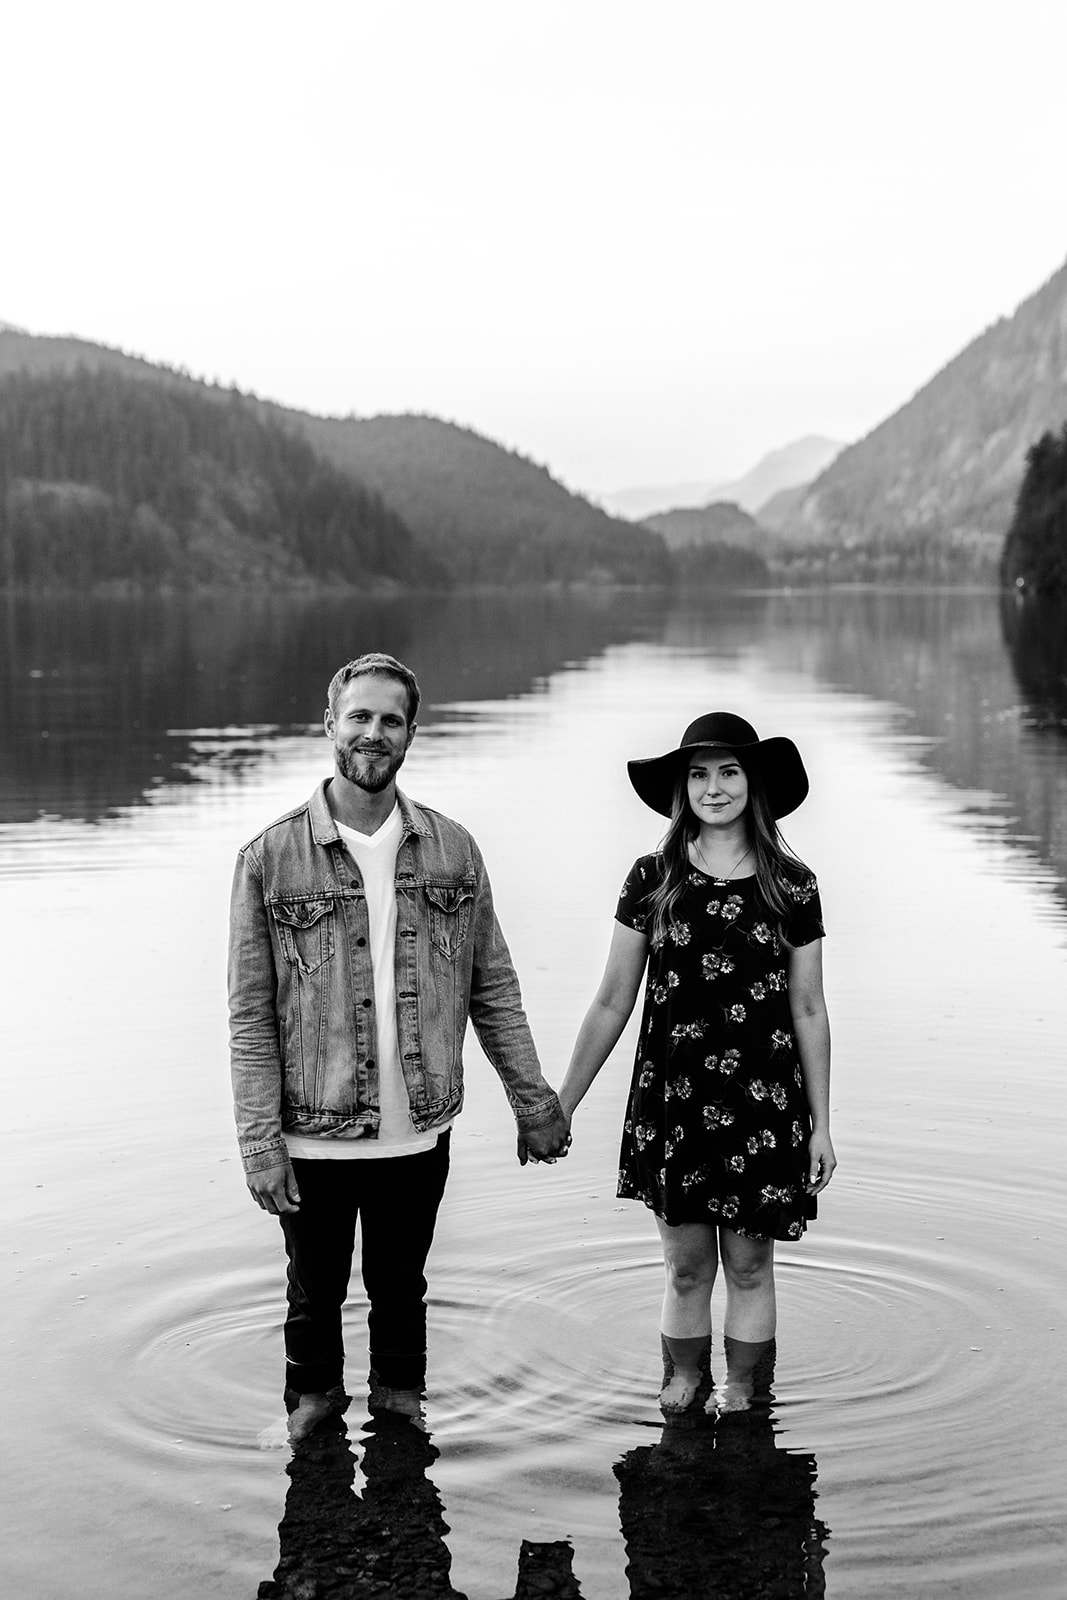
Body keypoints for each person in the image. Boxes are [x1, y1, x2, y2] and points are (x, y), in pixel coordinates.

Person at [228, 652, 569, 1442]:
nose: (372, 734)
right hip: (310, 1133)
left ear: (412, 732)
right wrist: (258, 1146)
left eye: (389, 720)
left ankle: (400, 1425)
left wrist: (533, 1102)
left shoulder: (453, 850)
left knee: (401, 1290)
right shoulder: (269, 859)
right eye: (359, 717)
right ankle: (311, 1436)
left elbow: (493, 988)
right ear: (329, 726)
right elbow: (249, 1016)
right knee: (311, 1299)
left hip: (416, 1129)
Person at [558, 712, 835, 1414]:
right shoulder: (653, 878)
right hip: (672, 1104)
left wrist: (823, 1127)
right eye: (699, 774)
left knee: (748, 1265)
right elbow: (612, 1001)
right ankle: (682, 1381)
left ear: (753, 783)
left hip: (765, 1106)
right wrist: (560, 1104)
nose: (714, 788)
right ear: (682, 789)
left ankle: (745, 1390)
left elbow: (807, 1009)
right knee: (686, 1269)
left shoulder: (791, 885)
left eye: (728, 771)